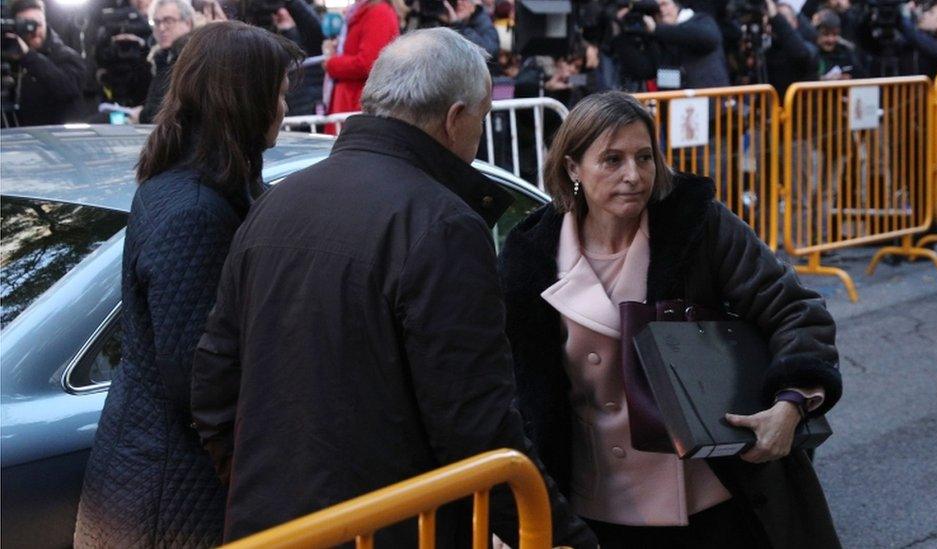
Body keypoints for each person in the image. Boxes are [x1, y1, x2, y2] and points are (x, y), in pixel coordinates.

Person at [191, 28, 598, 548]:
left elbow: (212, 384)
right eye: (482, 118)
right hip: (394, 531)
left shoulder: (279, 202)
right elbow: (475, 424)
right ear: (455, 119)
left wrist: (261, 488)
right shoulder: (443, 224)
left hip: (271, 529)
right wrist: (558, 535)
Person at [498, 92, 842, 549]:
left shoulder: (697, 226)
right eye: (612, 160)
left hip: (715, 494)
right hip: (595, 509)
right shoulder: (530, 259)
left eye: (645, 157)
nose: (634, 176)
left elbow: (795, 309)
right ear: (571, 168)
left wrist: (792, 402)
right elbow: (509, 391)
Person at [74, 21, 302, 548]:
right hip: (167, 495)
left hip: (158, 478)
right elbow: (197, 381)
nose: (285, 110)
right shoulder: (195, 211)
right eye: (279, 95)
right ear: (244, 98)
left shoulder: (199, 184)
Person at [3, 0, 86, 126]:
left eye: (38, 24)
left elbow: (66, 89)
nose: (34, 30)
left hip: (59, 137)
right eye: (27, 25)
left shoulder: (67, 56)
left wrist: (28, 56)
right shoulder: (12, 57)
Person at [321, 0, 399, 116]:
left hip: (358, 105)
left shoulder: (378, 12)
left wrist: (331, 63)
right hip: (351, 104)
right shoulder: (363, 11)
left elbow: (369, 63)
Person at [133, 0, 196, 123]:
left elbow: (175, 113)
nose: (161, 28)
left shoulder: (194, 59)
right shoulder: (161, 57)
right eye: (156, 22)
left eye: (169, 21)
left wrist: (141, 115)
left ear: (188, 23)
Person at [643, 0, 730, 89]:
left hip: (709, 96)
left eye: (664, 4)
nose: (661, 10)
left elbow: (708, 38)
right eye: (655, 7)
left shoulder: (700, 20)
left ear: (676, 5)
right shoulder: (655, 36)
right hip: (674, 98)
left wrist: (657, 29)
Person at [767, 0, 819, 96]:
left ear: (795, 22)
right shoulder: (768, 48)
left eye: (783, 19)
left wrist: (776, 17)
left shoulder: (807, 43)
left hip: (802, 107)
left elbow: (801, 54)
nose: (776, 25)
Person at [814, 9, 864, 79]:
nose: (830, 40)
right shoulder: (811, 54)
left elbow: (861, 75)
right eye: (825, 34)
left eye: (834, 34)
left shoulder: (845, 52)